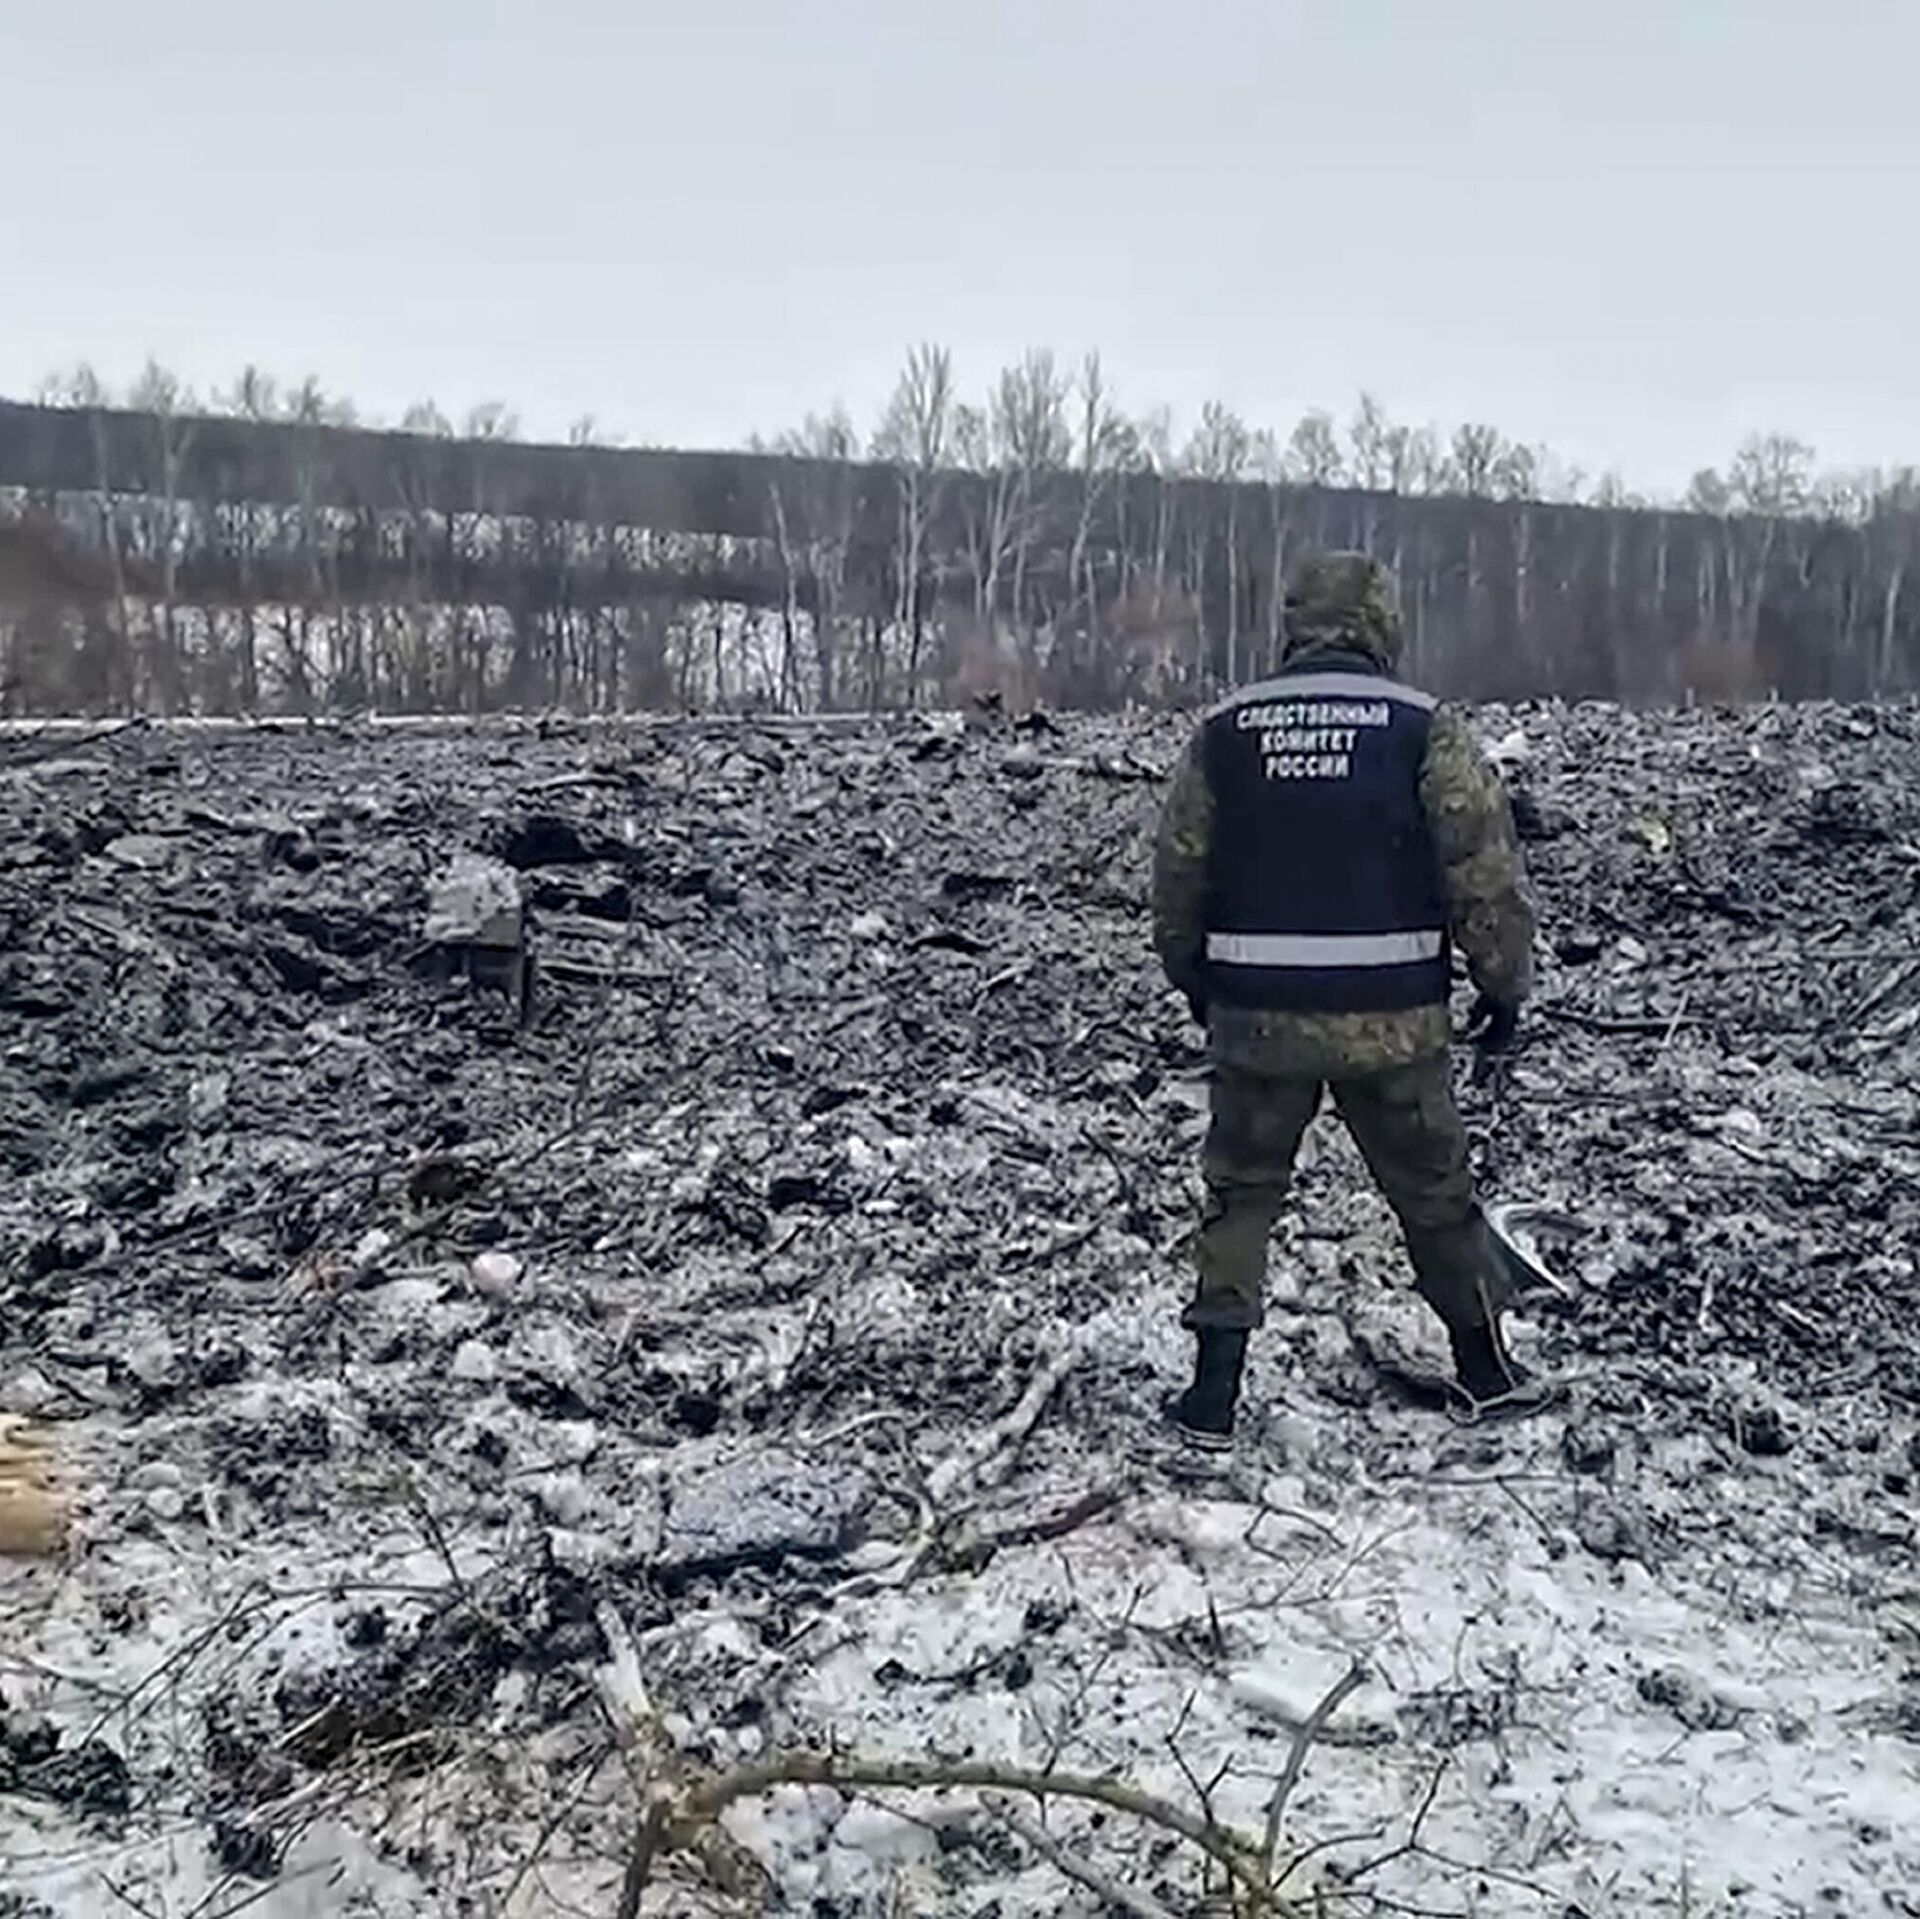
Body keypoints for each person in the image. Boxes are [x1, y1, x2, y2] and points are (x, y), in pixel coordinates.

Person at [1150, 551, 1554, 1449]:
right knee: (1436, 1194)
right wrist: (1504, 986)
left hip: (1257, 1019)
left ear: (1294, 624)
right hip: (1393, 1021)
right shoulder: (1421, 727)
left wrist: (1196, 982)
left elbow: (1177, 875)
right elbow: (1482, 874)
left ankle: (1211, 1398)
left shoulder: (1225, 730)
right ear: (1380, 622)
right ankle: (1487, 1371)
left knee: (1240, 1196)